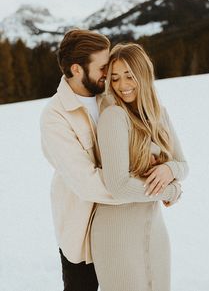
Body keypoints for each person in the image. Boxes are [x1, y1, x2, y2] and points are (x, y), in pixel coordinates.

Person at [40, 29, 183, 291]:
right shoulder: (55, 117)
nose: (110, 74)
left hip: (127, 221)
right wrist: (160, 189)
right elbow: (88, 182)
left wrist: (169, 169)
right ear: (77, 69)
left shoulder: (110, 97)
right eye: (103, 67)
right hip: (82, 227)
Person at [90, 43, 189, 291]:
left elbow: (182, 164)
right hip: (117, 234)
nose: (123, 85)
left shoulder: (159, 114)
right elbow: (119, 186)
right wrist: (171, 191)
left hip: (153, 228)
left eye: (129, 76)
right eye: (114, 78)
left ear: (143, 74)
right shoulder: (114, 117)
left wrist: (169, 170)